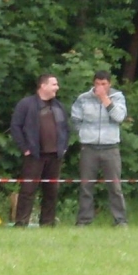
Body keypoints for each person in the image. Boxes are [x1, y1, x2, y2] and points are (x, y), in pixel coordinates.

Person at [9, 73, 69, 227]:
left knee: (51, 191)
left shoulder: (59, 106)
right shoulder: (26, 104)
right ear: (43, 86)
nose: (57, 87)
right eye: (54, 84)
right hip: (34, 155)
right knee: (28, 190)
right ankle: (21, 222)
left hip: (55, 156)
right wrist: (25, 148)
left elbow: (65, 128)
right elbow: (15, 126)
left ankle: (47, 223)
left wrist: (64, 147)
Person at [71, 70, 128, 227]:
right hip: (89, 148)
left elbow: (119, 117)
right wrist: (83, 133)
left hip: (111, 148)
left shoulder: (118, 97)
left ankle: (120, 221)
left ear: (110, 84)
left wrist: (105, 99)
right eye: (97, 84)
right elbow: (75, 119)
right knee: (86, 185)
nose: (100, 87)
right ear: (93, 83)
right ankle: (84, 220)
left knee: (115, 186)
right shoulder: (83, 98)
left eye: (104, 84)